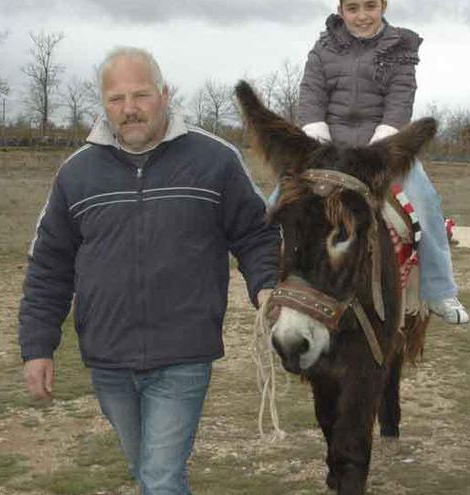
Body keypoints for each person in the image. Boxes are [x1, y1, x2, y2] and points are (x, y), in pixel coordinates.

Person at [17, 47, 279, 495]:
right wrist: (37, 347)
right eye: (117, 99)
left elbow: (257, 234)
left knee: (160, 478)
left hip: (184, 351)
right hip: (108, 357)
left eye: (140, 95)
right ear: (103, 104)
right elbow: (49, 266)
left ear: (164, 94)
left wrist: (268, 286)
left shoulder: (214, 159)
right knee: (148, 473)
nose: (130, 109)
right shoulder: (76, 174)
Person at [293, 0, 470, 324]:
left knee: (426, 201)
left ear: (384, 6)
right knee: (281, 198)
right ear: (341, 10)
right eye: (353, 8)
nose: (362, 16)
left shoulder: (401, 49)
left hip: (384, 147)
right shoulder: (322, 49)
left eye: (370, 6)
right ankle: (276, 281)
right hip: (329, 147)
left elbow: (400, 100)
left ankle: (438, 289)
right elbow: (311, 96)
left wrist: (380, 148)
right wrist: (318, 140)